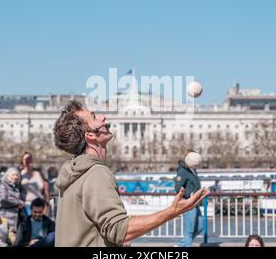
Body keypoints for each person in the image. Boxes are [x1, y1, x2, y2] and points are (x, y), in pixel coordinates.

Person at [53, 101, 209, 247]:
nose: (103, 117)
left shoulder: (72, 172)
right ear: (90, 136)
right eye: (94, 117)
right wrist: (172, 212)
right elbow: (120, 230)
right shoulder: (96, 173)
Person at [174, 150, 203, 247]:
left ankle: (181, 246)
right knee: (189, 232)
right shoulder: (182, 170)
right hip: (188, 203)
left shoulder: (193, 170)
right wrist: (188, 194)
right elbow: (178, 188)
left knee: (200, 227)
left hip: (195, 203)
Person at [20, 152, 50, 216]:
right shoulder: (19, 174)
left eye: (29, 158)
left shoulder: (39, 173)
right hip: (26, 207)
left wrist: (46, 208)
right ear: (22, 161)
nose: (28, 160)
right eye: (26, 159)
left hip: (40, 206)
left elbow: (46, 192)